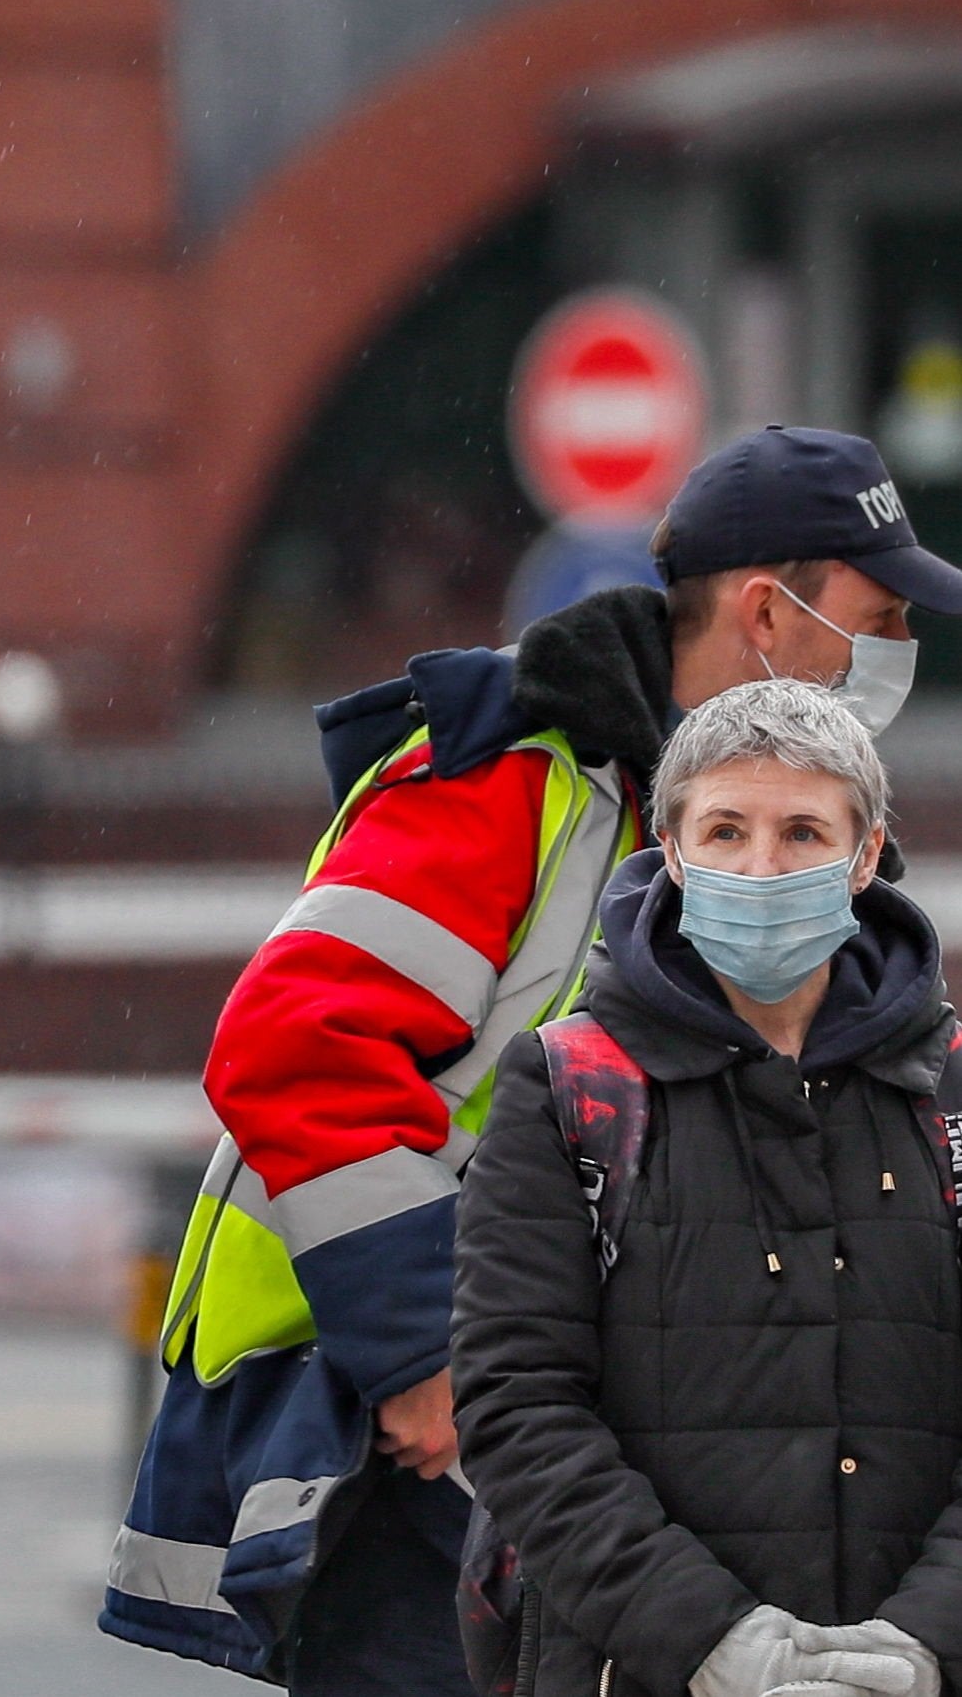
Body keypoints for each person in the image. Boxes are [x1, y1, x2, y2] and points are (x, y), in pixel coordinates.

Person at [104, 425, 962, 1691]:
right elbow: (295, 1050)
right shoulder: (509, 781)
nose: (896, 652)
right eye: (875, 615)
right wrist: (420, 1360)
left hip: (583, 1468)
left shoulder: (759, 826)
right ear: (767, 616)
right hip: (413, 1457)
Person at [456, 679, 962, 1697]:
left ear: (863, 857)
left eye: (802, 832)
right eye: (724, 829)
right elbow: (518, 1407)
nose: (760, 865)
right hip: (642, 1669)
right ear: (674, 850)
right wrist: (713, 1644)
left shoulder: (949, 1086)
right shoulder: (566, 1087)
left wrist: (918, 1642)